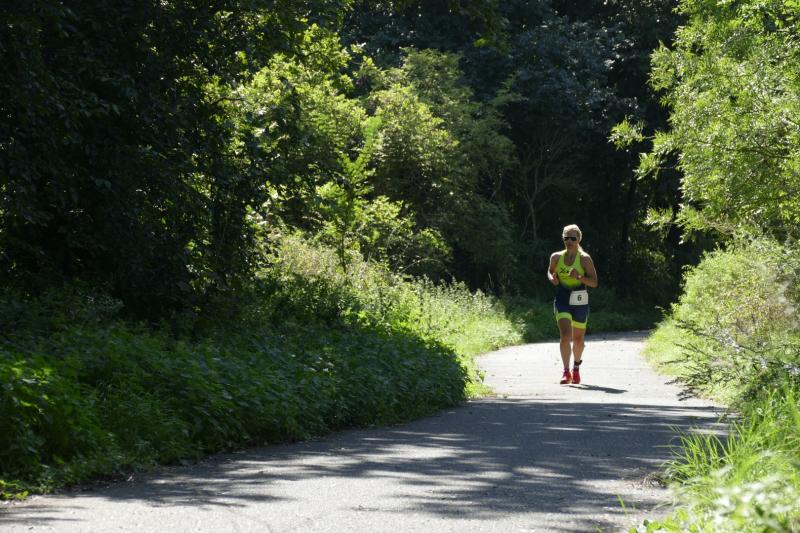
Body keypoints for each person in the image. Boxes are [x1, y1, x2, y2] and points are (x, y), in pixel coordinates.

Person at [547, 224, 598, 384]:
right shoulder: (556, 257)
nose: (569, 241)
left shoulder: (584, 259)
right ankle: (565, 372)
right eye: (566, 238)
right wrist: (552, 278)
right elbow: (550, 271)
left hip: (580, 300)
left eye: (573, 238)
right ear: (563, 238)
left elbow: (594, 282)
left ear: (579, 239)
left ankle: (576, 368)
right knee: (565, 335)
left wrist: (579, 277)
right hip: (562, 298)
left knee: (578, 340)